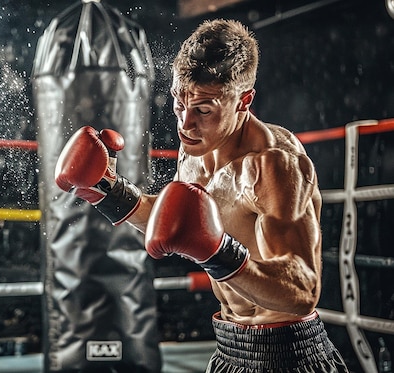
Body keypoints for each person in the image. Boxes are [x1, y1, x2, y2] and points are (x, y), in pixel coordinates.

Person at [54, 18, 350, 372]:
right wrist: (109, 191)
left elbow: (302, 293)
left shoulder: (273, 165)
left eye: (204, 110)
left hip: (288, 354)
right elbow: (174, 219)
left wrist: (217, 252)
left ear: (244, 101)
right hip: (228, 347)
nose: (185, 123)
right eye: (180, 102)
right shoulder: (194, 150)